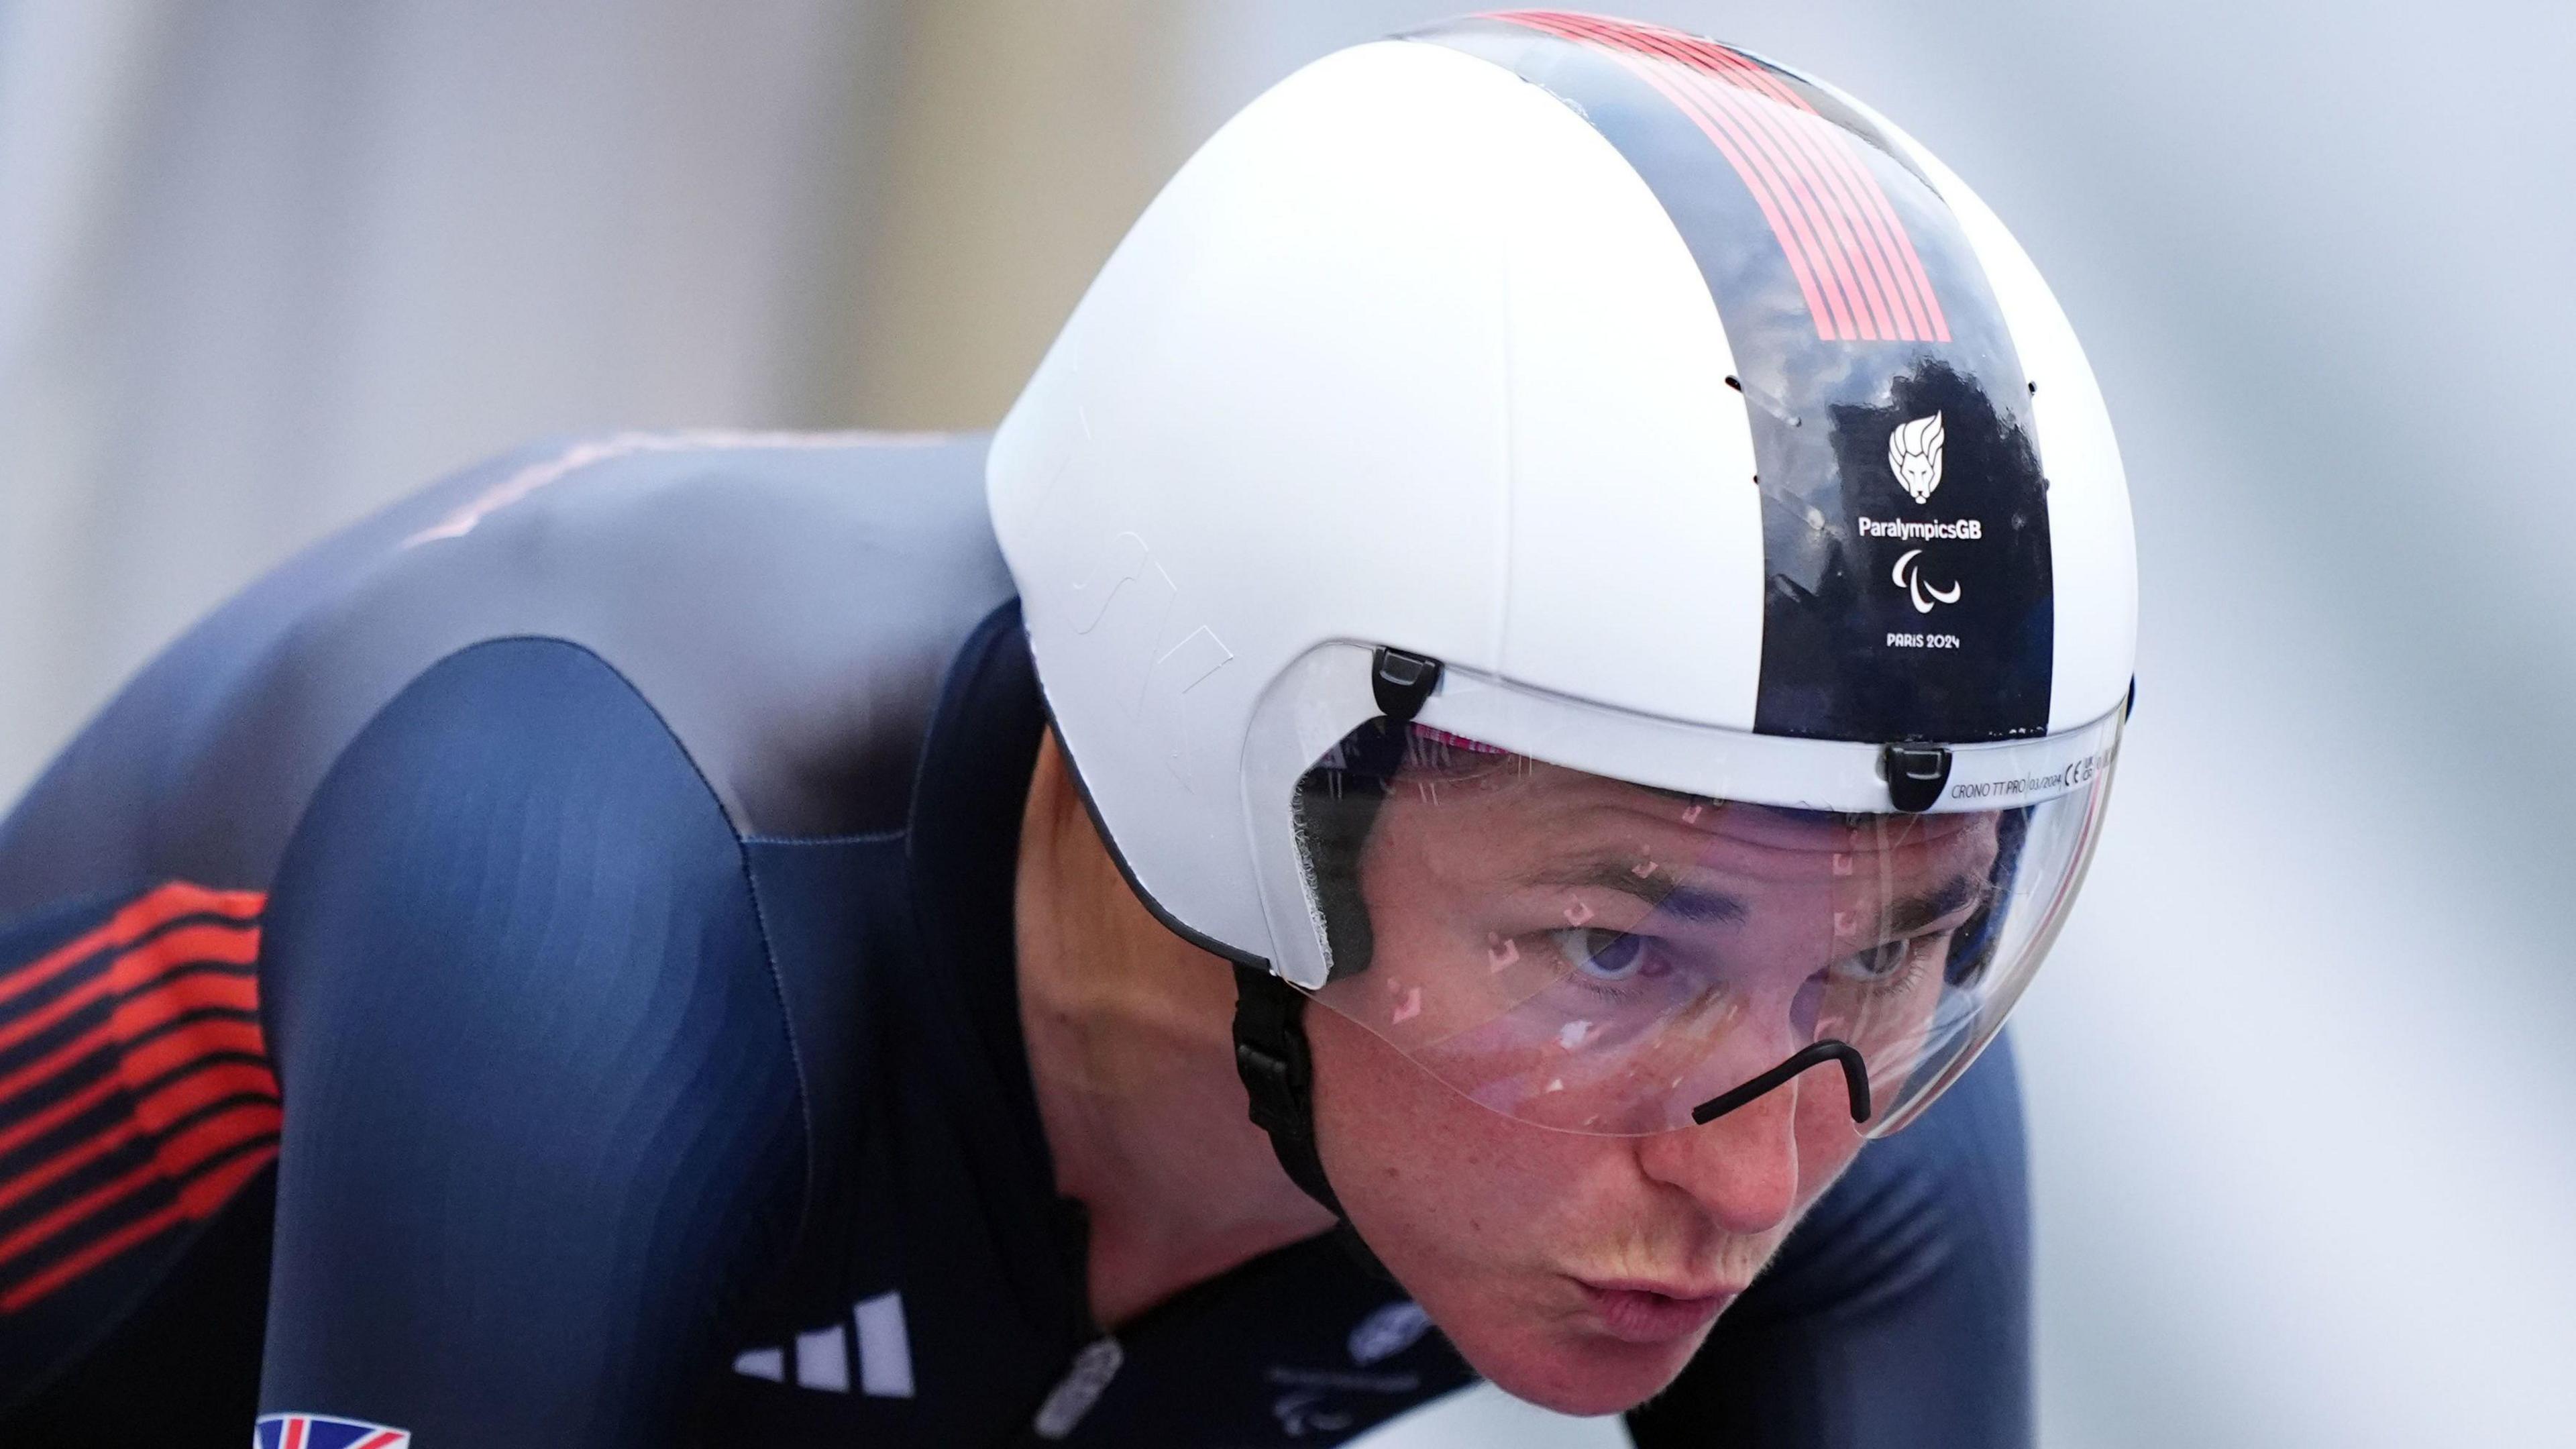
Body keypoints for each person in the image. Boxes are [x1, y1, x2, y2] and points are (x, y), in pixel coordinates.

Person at [0, 12, 2135, 1447]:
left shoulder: (1828, 1046)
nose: (1761, 1167)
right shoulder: (590, 910)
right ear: (1243, 786)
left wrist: (1765, 969)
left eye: (1898, 944)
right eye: (1613, 952)